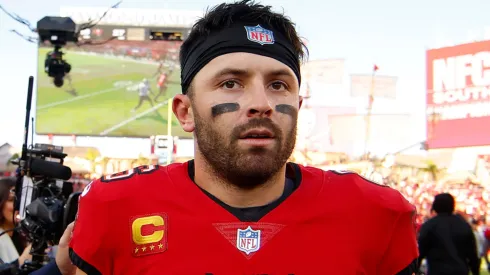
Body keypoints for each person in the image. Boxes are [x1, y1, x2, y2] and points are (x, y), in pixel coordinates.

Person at [69, 1, 418, 274]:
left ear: (298, 105)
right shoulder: (116, 209)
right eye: (231, 83)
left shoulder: (373, 214)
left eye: (278, 85)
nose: (261, 104)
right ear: (185, 112)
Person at [418, 193, 480, 275]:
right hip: (460, 271)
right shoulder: (463, 225)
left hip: (438, 271)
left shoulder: (429, 225)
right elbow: (472, 254)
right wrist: (475, 271)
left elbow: (420, 252)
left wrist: (415, 268)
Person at [0, 178, 31, 267]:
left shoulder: (25, 236)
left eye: (22, 200)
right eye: (12, 200)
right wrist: (21, 261)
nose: (19, 206)